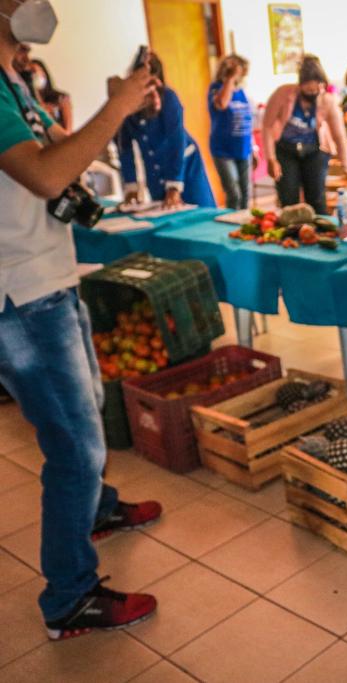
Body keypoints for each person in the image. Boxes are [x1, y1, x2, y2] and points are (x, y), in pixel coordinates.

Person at [0, 0, 164, 640]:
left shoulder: (15, 77)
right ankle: (68, 598)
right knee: (75, 444)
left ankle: (95, 508)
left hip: (49, 273)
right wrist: (116, 107)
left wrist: (116, 110)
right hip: (21, 294)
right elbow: (45, 176)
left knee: (86, 407)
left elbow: (53, 154)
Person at [116, 52, 215, 208]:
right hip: (154, 169)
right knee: (163, 210)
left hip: (184, 164)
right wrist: (131, 186)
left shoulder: (168, 98)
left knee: (200, 209)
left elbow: (176, 141)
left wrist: (174, 186)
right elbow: (124, 148)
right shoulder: (127, 104)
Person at [262, 54, 347, 215]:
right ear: (300, 85)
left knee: (316, 198)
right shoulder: (283, 94)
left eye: (316, 89)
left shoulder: (328, 101)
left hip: (315, 151)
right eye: (308, 90)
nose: (312, 93)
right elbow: (267, 126)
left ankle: (319, 228)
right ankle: (291, 229)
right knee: (288, 198)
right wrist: (271, 159)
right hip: (286, 150)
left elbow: (339, 137)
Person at [208, 54, 253, 210]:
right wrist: (230, 79)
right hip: (223, 151)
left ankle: (245, 222)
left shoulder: (241, 92)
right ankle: (232, 221)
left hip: (244, 149)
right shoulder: (216, 89)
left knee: (245, 193)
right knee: (234, 194)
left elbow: (247, 119)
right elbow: (222, 103)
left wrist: (253, 148)